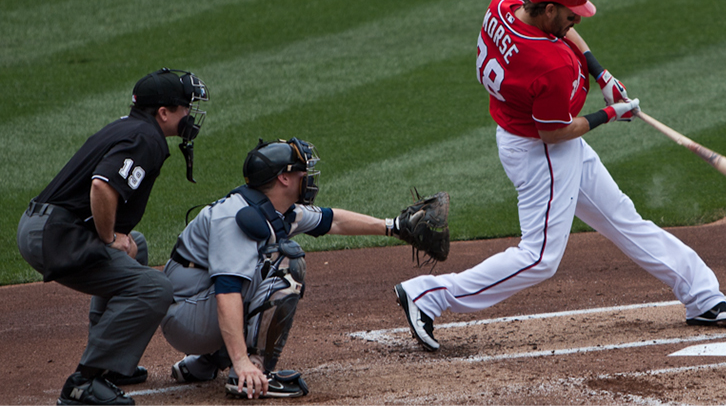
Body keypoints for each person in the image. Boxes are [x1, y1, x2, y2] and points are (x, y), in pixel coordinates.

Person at [393, 0, 726, 352]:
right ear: (548, 10)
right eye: (570, 14)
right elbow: (556, 132)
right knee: (540, 257)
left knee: (621, 217)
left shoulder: (506, 1)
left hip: (529, 137)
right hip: (541, 152)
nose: (576, 19)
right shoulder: (549, 63)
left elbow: (565, 33)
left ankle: (702, 297)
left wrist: (601, 74)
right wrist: (611, 113)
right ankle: (430, 295)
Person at [161, 137, 422, 399]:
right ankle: (251, 371)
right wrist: (240, 361)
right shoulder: (238, 218)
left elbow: (334, 221)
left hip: (195, 309)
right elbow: (227, 292)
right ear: (283, 178)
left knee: (259, 267)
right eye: (300, 170)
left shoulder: (277, 209)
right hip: (187, 316)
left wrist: (394, 227)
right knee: (286, 262)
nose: (306, 176)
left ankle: (205, 363)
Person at [16, 68, 210, 404]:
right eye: (184, 109)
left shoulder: (130, 126)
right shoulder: (146, 138)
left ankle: (114, 364)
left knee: (139, 244)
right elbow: (102, 186)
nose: (189, 116)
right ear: (163, 113)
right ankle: (84, 382)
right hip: (54, 235)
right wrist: (109, 238)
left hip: (46, 225)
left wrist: (117, 236)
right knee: (154, 287)